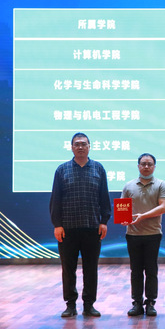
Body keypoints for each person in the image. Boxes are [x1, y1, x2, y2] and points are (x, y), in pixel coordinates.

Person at [50, 132, 111, 318]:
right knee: (68, 269)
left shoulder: (98, 169)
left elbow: (104, 198)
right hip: (67, 229)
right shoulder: (62, 170)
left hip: (92, 227)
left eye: (84, 144)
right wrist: (57, 224)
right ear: (71, 147)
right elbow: (55, 199)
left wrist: (104, 221)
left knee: (91, 268)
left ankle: (89, 305)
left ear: (89, 147)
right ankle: (70, 305)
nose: (80, 147)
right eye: (77, 144)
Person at [121, 153, 165, 317]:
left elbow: (163, 207)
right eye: (143, 164)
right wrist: (123, 219)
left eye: (150, 164)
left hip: (153, 234)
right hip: (132, 234)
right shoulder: (128, 186)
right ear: (138, 166)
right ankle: (136, 302)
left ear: (154, 167)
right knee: (135, 270)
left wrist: (142, 216)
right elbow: (122, 209)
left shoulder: (161, 185)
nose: (146, 167)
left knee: (151, 270)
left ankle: (150, 302)